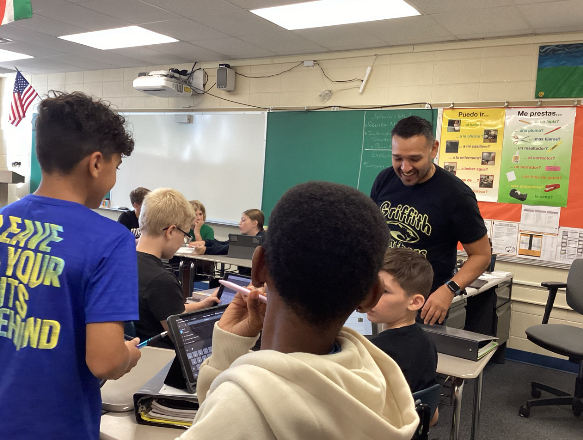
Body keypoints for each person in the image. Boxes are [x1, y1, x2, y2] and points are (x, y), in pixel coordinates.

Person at [177, 181, 419, 440]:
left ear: (258, 267)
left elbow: (221, 421)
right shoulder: (378, 380)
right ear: (372, 295)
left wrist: (223, 359)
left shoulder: (239, 406)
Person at [0, 91, 141, 440]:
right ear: (95, 163)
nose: (114, 178)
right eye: (116, 167)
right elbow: (105, 362)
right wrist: (127, 355)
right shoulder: (111, 240)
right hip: (56, 427)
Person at [371, 115, 491, 326]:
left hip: (423, 305)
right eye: (398, 158)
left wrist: (449, 289)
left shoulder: (456, 195)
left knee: (414, 356)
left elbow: (481, 255)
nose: (405, 168)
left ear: (433, 149)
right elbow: (370, 233)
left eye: (414, 159)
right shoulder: (385, 179)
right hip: (381, 295)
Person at [135, 188, 220, 348]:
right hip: (164, 362)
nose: (183, 241)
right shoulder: (161, 280)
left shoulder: (123, 262)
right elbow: (188, 344)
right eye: (185, 234)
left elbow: (165, 308)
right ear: (171, 231)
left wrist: (202, 305)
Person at [367, 248, 439, 425]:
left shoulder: (375, 351)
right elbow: (432, 416)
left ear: (414, 302)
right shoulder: (426, 342)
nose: (370, 295)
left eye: (384, 291)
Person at [193, 209, 266, 255]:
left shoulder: (260, 239)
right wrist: (206, 242)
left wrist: (206, 250)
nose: (240, 223)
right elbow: (225, 243)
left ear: (254, 223)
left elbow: (228, 248)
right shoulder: (245, 236)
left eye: (243, 220)